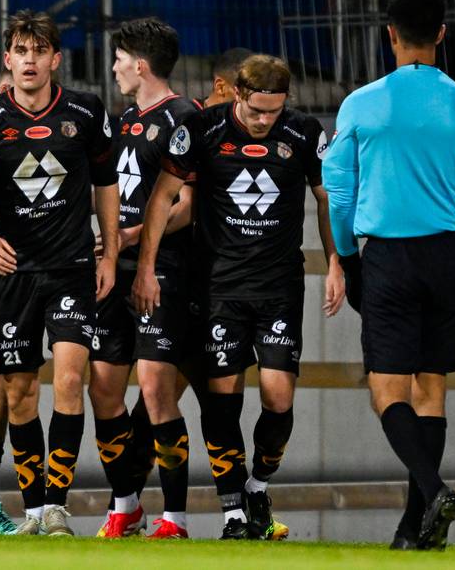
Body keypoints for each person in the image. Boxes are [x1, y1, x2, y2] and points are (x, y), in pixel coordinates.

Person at [322, 0, 455, 551]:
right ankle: (413, 529)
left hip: (387, 256)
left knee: (386, 391)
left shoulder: (362, 102)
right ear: (443, 35)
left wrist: (348, 260)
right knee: (431, 391)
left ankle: (433, 490)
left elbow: (338, 193)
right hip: (446, 258)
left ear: (390, 35)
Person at [134, 54, 344, 540]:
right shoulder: (202, 129)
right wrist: (145, 266)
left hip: (279, 289)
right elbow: (164, 196)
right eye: (255, 112)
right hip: (220, 288)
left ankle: (256, 486)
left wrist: (336, 262)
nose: (264, 122)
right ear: (237, 95)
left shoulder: (305, 132)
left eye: (273, 112)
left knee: (278, 396)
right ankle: (232, 512)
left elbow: (327, 197)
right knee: (222, 403)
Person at [0, 9, 120, 536]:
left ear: (55, 58)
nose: (30, 61)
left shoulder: (85, 111)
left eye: (39, 51)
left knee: (71, 377)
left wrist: (111, 255)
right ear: (8, 60)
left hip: (71, 270)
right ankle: (31, 510)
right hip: (11, 275)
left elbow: (106, 188)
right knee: (21, 393)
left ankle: (56, 507)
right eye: (20, 52)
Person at [90, 17, 201, 539]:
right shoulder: (122, 121)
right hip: (116, 269)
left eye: (118, 59)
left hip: (165, 272)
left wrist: (138, 241)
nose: (113, 69)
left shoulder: (185, 116)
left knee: (156, 388)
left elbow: (187, 206)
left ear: (140, 64)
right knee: (103, 389)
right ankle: (126, 504)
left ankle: (175, 518)